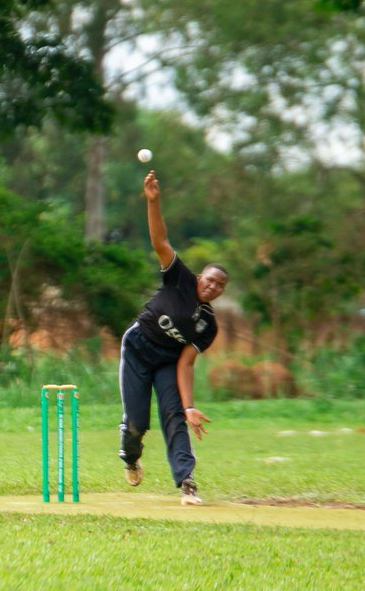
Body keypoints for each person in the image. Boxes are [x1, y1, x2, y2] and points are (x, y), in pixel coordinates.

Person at [119, 170, 228, 506]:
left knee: (174, 416)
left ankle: (187, 482)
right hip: (138, 348)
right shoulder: (180, 277)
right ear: (200, 277)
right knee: (137, 423)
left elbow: (186, 363)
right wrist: (153, 202)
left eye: (220, 285)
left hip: (168, 361)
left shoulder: (208, 325)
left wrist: (189, 405)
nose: (212, 286)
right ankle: (130, 456)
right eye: (210, 280)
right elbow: (160, 242)